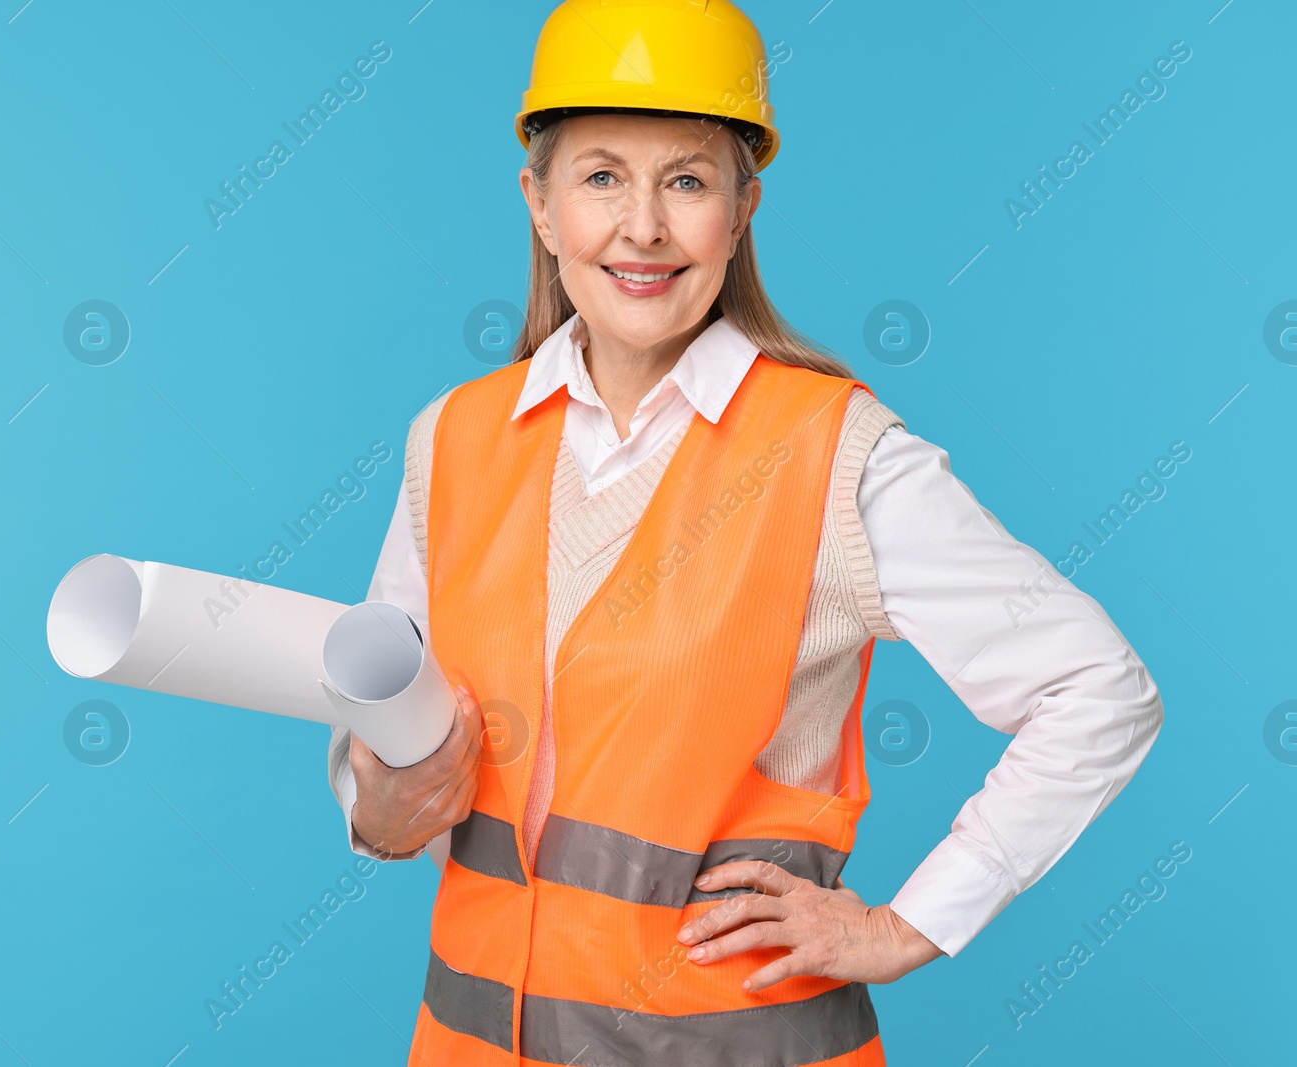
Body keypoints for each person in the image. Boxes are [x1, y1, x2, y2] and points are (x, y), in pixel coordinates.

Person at [328, 2, 1164, 1063]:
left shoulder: (834, 456)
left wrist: (905, 925)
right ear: (539, 206)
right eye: (599, 178)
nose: (642, 227)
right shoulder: (452, 440)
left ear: (741, 207)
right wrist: (384, 797)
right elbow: (385, 762)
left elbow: (1099, 687)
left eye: (686, 180)